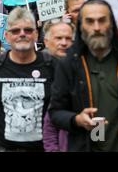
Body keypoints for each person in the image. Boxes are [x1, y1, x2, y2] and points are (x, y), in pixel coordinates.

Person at [49, 0, 118, 152]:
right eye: (90, 21)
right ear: (81, 26)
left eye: (102, 20)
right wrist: (76, 120)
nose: (96, 27)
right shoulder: (68, 65)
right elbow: (56, 112)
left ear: (112, 24)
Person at [0, 7, 54, 151]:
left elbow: (59, 110)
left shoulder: (52, 66)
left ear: (36, 34)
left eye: (28, 30)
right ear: (7, 36)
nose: (22, 34)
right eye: (15, 31)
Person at [41, 18, 75, 152]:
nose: (64, 43)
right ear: (46, 42)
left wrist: (99, 145)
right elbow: (50, 124)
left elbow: (98, 116)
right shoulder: (35, 67)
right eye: (59, 38)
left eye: (68, 38)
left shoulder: (85, 70)